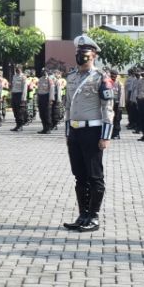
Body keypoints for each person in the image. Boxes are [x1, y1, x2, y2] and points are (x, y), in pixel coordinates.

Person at [62, 35, 114, 233]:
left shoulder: (101, 77)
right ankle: (82, 214)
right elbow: (68, 106)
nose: (80, 56)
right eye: (78, 53)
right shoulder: (72, 77)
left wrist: (105, 136)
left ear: (93, 55)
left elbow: (107, 108)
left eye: (84, 53)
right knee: (79, 176)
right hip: (75, 131)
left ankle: (93, 216)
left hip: (93, 131)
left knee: (94, 176)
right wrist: (68, 132)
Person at [37, 68, 55, 134]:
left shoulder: (49, 80)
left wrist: (51, 99)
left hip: (47, 97)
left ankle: (48, 128)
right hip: (41, 97)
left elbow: (52, 89)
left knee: (47, 114)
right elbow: (38, 89)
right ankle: (44, 128)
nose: (43, 73)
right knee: (41, 114)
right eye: (42, 71)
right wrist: (37, 98)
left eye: (45, 71)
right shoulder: (40, 79)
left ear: (47, 72)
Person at [9, 67, 27, 132]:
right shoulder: (14, 76)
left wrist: (23, 98)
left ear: (21, 69)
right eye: (16, 69)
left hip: (20, 95)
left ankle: (20, 126)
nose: (17, 70)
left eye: (18, 69)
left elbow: (24, 88)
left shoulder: (23, 77)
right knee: (15, 111)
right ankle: (17, 125)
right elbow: (13, 86)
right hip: (14, 94)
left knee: (20, 111)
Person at [110, 69, 124, 140]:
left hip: (117, 104)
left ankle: (116, 134)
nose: (113, 78)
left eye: (114, 76)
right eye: (111, 76)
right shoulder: (108, 83)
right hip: (110, 104)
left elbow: (121, 95)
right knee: (110, 119)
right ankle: (111, 133)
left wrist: (120, 106)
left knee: (117, 119)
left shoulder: (119, 83)